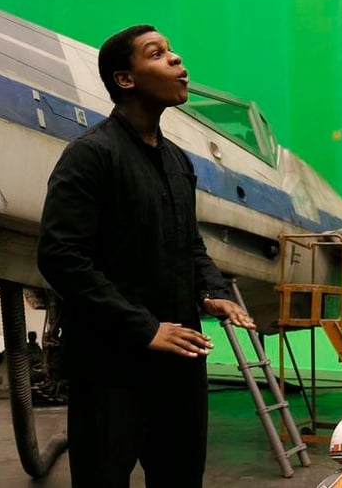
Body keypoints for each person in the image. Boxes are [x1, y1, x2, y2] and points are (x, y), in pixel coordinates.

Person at [37, 24, 256, 488]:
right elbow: (61, 257)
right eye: (158, 54)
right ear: (125, 80)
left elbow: (187, 243)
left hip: (179, 365)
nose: (177, 60)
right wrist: (146, 329)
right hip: (110, 369)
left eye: (173, 51)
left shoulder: (179, 162)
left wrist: (213, 292)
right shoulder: (89, 156)